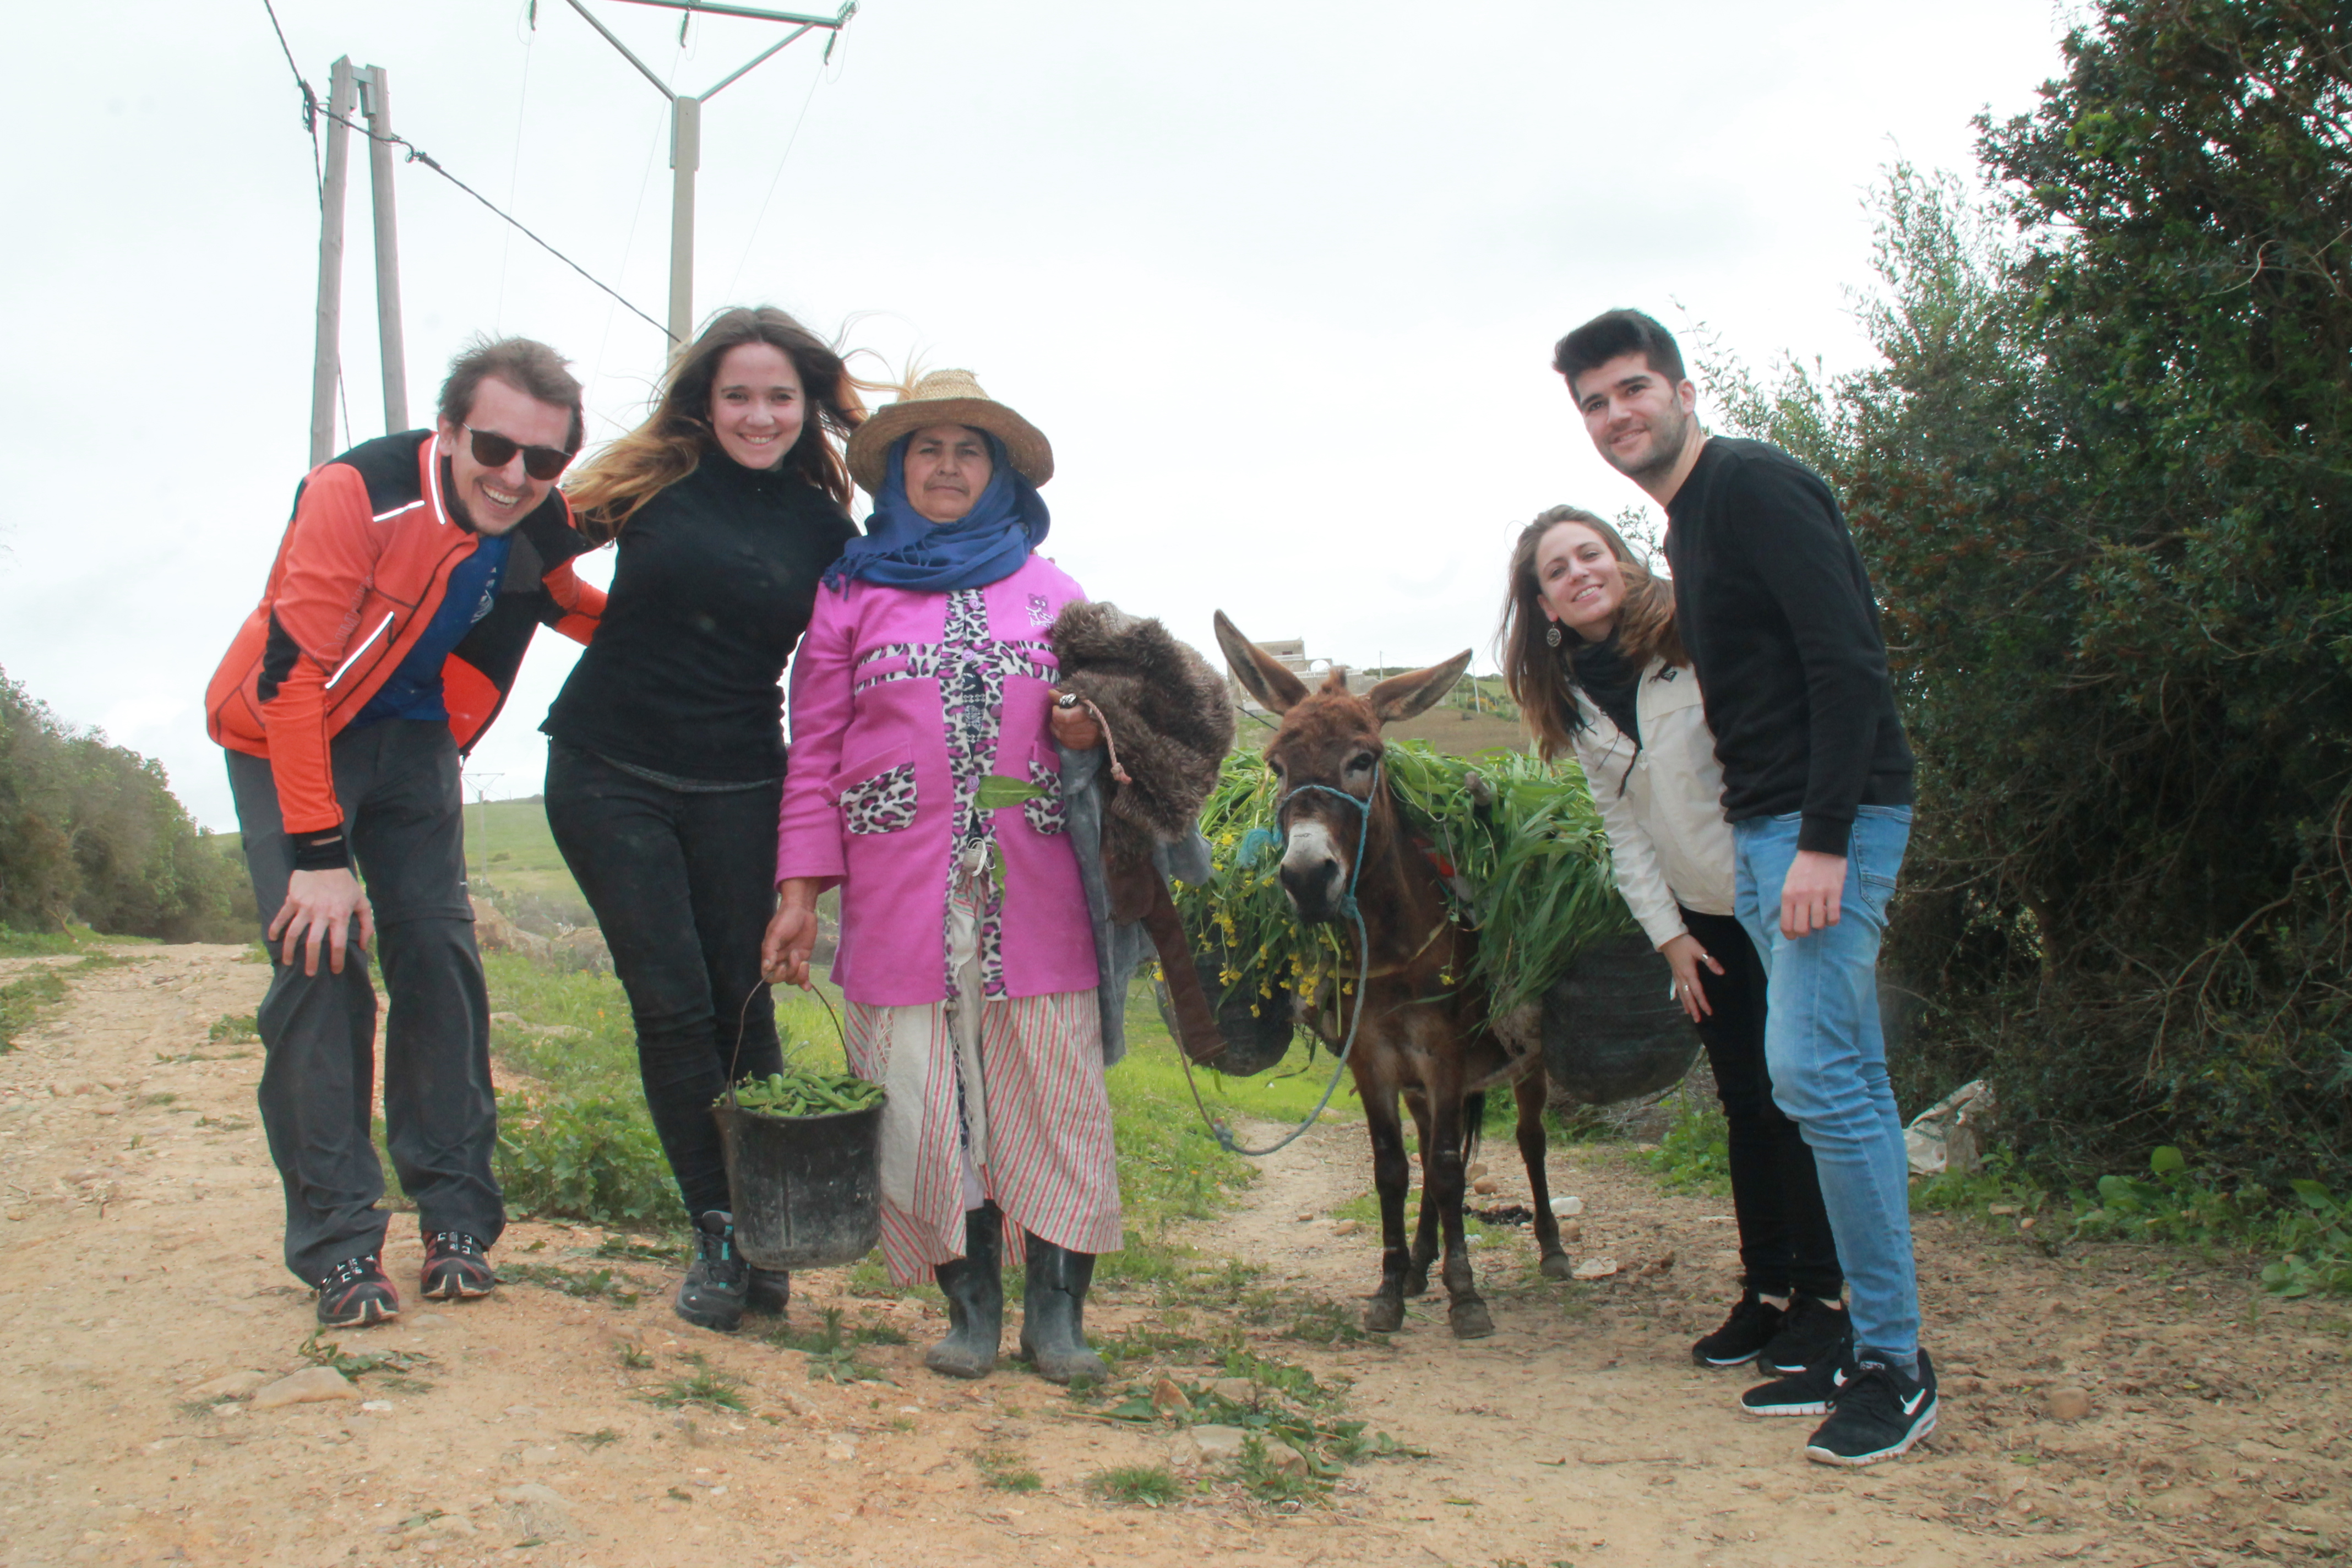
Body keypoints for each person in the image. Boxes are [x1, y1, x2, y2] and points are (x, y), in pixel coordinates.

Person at [1555, 308, 1932, 1467]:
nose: (1618, 416)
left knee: (1815, 1076)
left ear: (1680, 386)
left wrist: (1823, 838)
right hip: (1777, 828)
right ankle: (1868, 1340)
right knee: (1843, 1076)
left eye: (1632, 389)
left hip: (1825, 825)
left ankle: (1892, 1361)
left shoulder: (1757, 485)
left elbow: (1848, 658)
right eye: (1596, 404)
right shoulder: (1691, 528)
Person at [206, 337, 604, 1327]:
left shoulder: (535, 514)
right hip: (287, 735)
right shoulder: (356, 493)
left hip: (418, 737)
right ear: (450, 430)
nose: (514, 476)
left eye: (544, 461)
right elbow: (292, 675)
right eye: (495, 447)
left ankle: (456, 1218)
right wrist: (319, 858)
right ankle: (342, 1242)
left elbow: (565, 605)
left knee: (439, 956)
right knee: (321, 966)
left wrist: (691, 632)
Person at [760, 369, 1117, 1385]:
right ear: (901, 473)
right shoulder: (849, 594)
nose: (949, 466)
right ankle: (970, 1302)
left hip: (1034, 883)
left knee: (1051, 1093)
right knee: (923, 1095)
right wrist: (799, 894)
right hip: (900, 886)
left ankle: (1058, 1312)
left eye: (971, 450)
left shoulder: (1055, 593)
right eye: (930, 450)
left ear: (999, 472)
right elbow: (815, 752)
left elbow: (1113, 723)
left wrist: (1089, 729)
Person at [541, 306, 864, 1333]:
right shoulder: (649, 481)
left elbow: (882, 631)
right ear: (704, 401)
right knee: (673, 1004)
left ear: (808, 404)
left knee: (741, 1004)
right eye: (738, 395)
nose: (759, 415)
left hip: (738, 780)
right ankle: (720, 1228)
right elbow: (511, 545)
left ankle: (767, 1219)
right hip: (607, 767)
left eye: (780, 397)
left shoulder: (825, 527)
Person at [1499, 505, 1848, 1382]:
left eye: (1592, 553)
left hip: (1783, 899)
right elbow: (1624, 831)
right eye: (1557, 570)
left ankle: (1828, 1299)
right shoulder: (1575, 703)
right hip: (1702, 921)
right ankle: (1767, 1292)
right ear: (1542, 604)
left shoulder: (1694, 643)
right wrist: (1670, 940)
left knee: (1800, 1094)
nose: (1580, 572)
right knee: (1745, 1101)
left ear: (1621, 561)